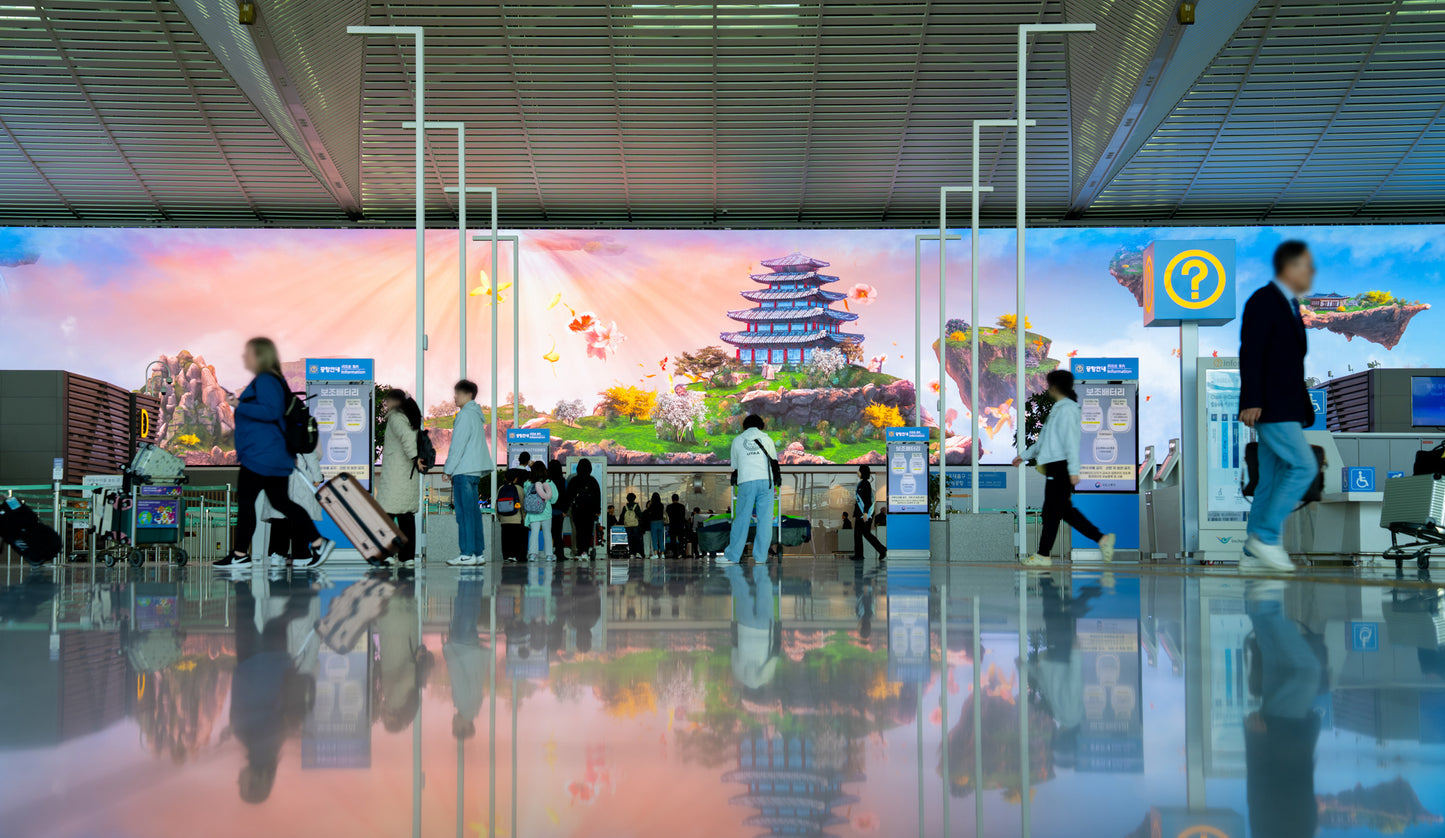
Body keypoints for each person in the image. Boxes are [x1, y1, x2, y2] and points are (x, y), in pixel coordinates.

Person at [220, 337, 333, 570]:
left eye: (248, 353)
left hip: (263, 455)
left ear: (260, 355)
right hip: (270, 454)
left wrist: (239, 405)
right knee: (281, 502)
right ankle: (318, 542)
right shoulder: (272, 379)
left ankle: (240, 554)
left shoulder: (266, 379)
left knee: (247, 501)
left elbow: (272, 412)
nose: (244, 357)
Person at [1239, 240, 1318, 573]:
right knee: (1304, 467)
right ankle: (1267, 538)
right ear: (1290, 267)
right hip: (1272, 406)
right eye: (1307, 265)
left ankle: (1251, 553)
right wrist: (1252, 399)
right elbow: (1251, 351)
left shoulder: (1291, 305)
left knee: (1269, 480)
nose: (1312, 272)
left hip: (1286, 405)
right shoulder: (1264, 300)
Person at [1243, 580, 1324, 838]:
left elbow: (1258, 797)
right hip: (1285, 735)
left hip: (1282, 735)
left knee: (1307, 672)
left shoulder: (1274, 832)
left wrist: (1255, 741)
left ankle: (1266, 596)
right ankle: (1256, 592)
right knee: (1276, 660)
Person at [1012, 369, 1116, 567]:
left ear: (1056, 386)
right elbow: (1044, 441)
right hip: (1055, 466)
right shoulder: (1059, 408)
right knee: (1061, 511)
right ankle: (1101, 539)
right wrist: (1024, 456)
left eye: (1049, 384)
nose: (1047, 387)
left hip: (1061, 466)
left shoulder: (1067, 409)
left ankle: (1044, 555)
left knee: (1052, 511)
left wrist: (1074, 470)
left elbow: (1071, 441)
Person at [230, 580, 313, 802]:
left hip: (270, 667)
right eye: (242, 785)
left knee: (273, 625)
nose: (238, 781)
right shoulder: (259, 748)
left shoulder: (271, 749)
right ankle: (240, 580)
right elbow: (253, 714)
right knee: (246, 616)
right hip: (256, 669)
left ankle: (301, 600)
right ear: (255, 782)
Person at [445, 380, 494, 567]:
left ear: (467, 394)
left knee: (464, 515)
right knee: (473, 514)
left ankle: (466, 554)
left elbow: (458, 445)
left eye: (457, 393)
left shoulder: (464, 415)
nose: (454, 397)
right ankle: (478, 553)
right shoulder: (476, 415)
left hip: (463, 470)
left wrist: (448, 469)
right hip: (474, 471)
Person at [376, 389, 424, 568]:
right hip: (406, 474)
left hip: (396, 474)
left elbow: (407, 438)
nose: (386, 404)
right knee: (405, 516)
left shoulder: (396, 417)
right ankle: (407, 557)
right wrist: (415, 458)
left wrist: (415, 456)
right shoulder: (409, 417)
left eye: (388, 400)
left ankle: (386, 554)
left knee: (387, 514)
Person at [723, 413, 778, 564]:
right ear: (760, 425)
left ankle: (733, 555)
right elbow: (774, 461)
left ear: (745, 425)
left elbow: (735, 466)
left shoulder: (738, 440)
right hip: (766, 482)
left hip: (746, 481)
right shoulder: (767, 439)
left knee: (742, 519)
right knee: (765, 521)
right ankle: (761, 557)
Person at [257, 449, 323, 565]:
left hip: (276, 474)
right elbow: (309, 454)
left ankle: (276, 555)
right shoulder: (300, 438)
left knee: (279, 518)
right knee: (298, 520)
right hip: (297, 477)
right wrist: (317, 478)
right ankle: (301, 556)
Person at [565, 459, 602, 560]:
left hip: (577, 510)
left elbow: (568, 496)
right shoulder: (593, 481)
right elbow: (597, 496)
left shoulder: (574, 480)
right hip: (590, 511)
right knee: (587, 532)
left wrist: (565, 509)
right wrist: (598, 510)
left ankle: (579, 551)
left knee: (579, 531)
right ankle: (585, 551)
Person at [524, 461, 558, 562]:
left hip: (533, 512)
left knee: (534, 533)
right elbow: (554, 498)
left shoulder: (528, 483)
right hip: (546, 511)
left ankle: (532, 554)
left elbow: (526, 496)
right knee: (547, 533)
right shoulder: (549, 482)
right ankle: (549, 555)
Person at [852, 465, 887, 561]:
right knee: (859, 534)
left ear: (862, 472)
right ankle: (860, 554)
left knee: (865, 533)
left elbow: (867, 499)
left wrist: (865, 513)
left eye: (859, 471)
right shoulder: (861, 483)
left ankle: (881, 549)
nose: (857, 472)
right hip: (860, 513)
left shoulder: (865, 484)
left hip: (864, 514)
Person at [497, 468, 528, 562]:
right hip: (516, 519)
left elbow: (497, 504)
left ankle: (507, 556)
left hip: (504, 520)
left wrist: (499, 517)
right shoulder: (519, 489)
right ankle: (516, 556)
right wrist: (524, 518)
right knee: (516, 540)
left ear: (505, 478)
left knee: (506, 540)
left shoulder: (501, 488)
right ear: (516, 479)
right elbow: (522, 505)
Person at [547, 459, 568, 560]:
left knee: (549, 533)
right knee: (558, 533)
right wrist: (565, 510)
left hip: (548, 511)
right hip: (560, 512)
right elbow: (567, 497)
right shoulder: (564, 482)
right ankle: (560, 554)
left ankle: (550, 553)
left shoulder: (547, 481)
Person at [620, 493, 643, 557]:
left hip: (628, 526)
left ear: (627, 499)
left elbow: (622, 517)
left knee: (630, 539)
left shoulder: (625, 507)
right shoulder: (636, 506)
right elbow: (640, 515)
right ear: (634, 498)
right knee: (636, 539)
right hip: (635, 525)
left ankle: (631, 553)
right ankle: (637, 552)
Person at [645, 492, 666, 559]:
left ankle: (656, 553)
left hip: (653, 522)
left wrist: (651, 503)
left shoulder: (652, 505)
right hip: (660, 522)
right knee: (661, 538)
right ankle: (662, 554)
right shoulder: (661, 505)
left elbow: (649, 512)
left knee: (654, 539)